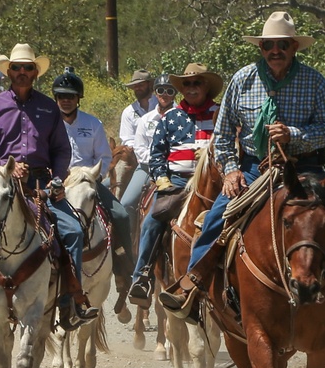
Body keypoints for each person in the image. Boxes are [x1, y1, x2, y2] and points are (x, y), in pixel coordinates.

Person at [159, 11, 325, 324]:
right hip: (254, 169)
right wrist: (230, 171)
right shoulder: (242, 80)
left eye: (282, 44)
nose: (275, 50)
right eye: (269, 44)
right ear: (261, 48)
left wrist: (294, 135)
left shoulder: (314, 81)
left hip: (304, 170)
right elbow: (224, 135)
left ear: (294, 47)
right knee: (217, 219)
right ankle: (191, 290)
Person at [0, 43, 99, 331]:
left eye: (27, 68)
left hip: (39, 185)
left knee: (72, 232)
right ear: (8, 71)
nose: (22, 72)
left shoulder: (49, 107)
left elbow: (62, 150)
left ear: (35, 72)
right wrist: (4, 165)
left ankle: (70, 301)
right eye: (16, 68)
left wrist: (56, 180)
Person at [128, 64, 222, 308]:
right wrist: (161, 178)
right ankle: (142, 277)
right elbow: (156, 153)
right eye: (187, 84)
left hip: (213, 184)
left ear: (206, 87)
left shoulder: (220, 114)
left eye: (197, 83)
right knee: (152, 220)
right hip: (177, 182)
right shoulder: (171, 116)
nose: (191, 88)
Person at [52, 66, 135, 323]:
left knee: (120, 214)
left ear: (79, 98)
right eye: (61, 95)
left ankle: (124, 273)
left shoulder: (93, 123)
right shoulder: (48, 123)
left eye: (71, 95)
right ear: (56, 97)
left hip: (88, 180)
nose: (66, 99)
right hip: (59, 182)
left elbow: (104, 156)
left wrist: (93, 177)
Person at [117, 69, 158, 218]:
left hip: (167, 161)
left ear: (150, 85)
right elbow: (127, 139)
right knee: (127, 202)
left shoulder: (163, 103)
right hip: (141, 162)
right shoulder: (129, 112)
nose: (137, 88)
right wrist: (141, 149)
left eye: (141, 85)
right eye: (135, 86)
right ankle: (128, 239)